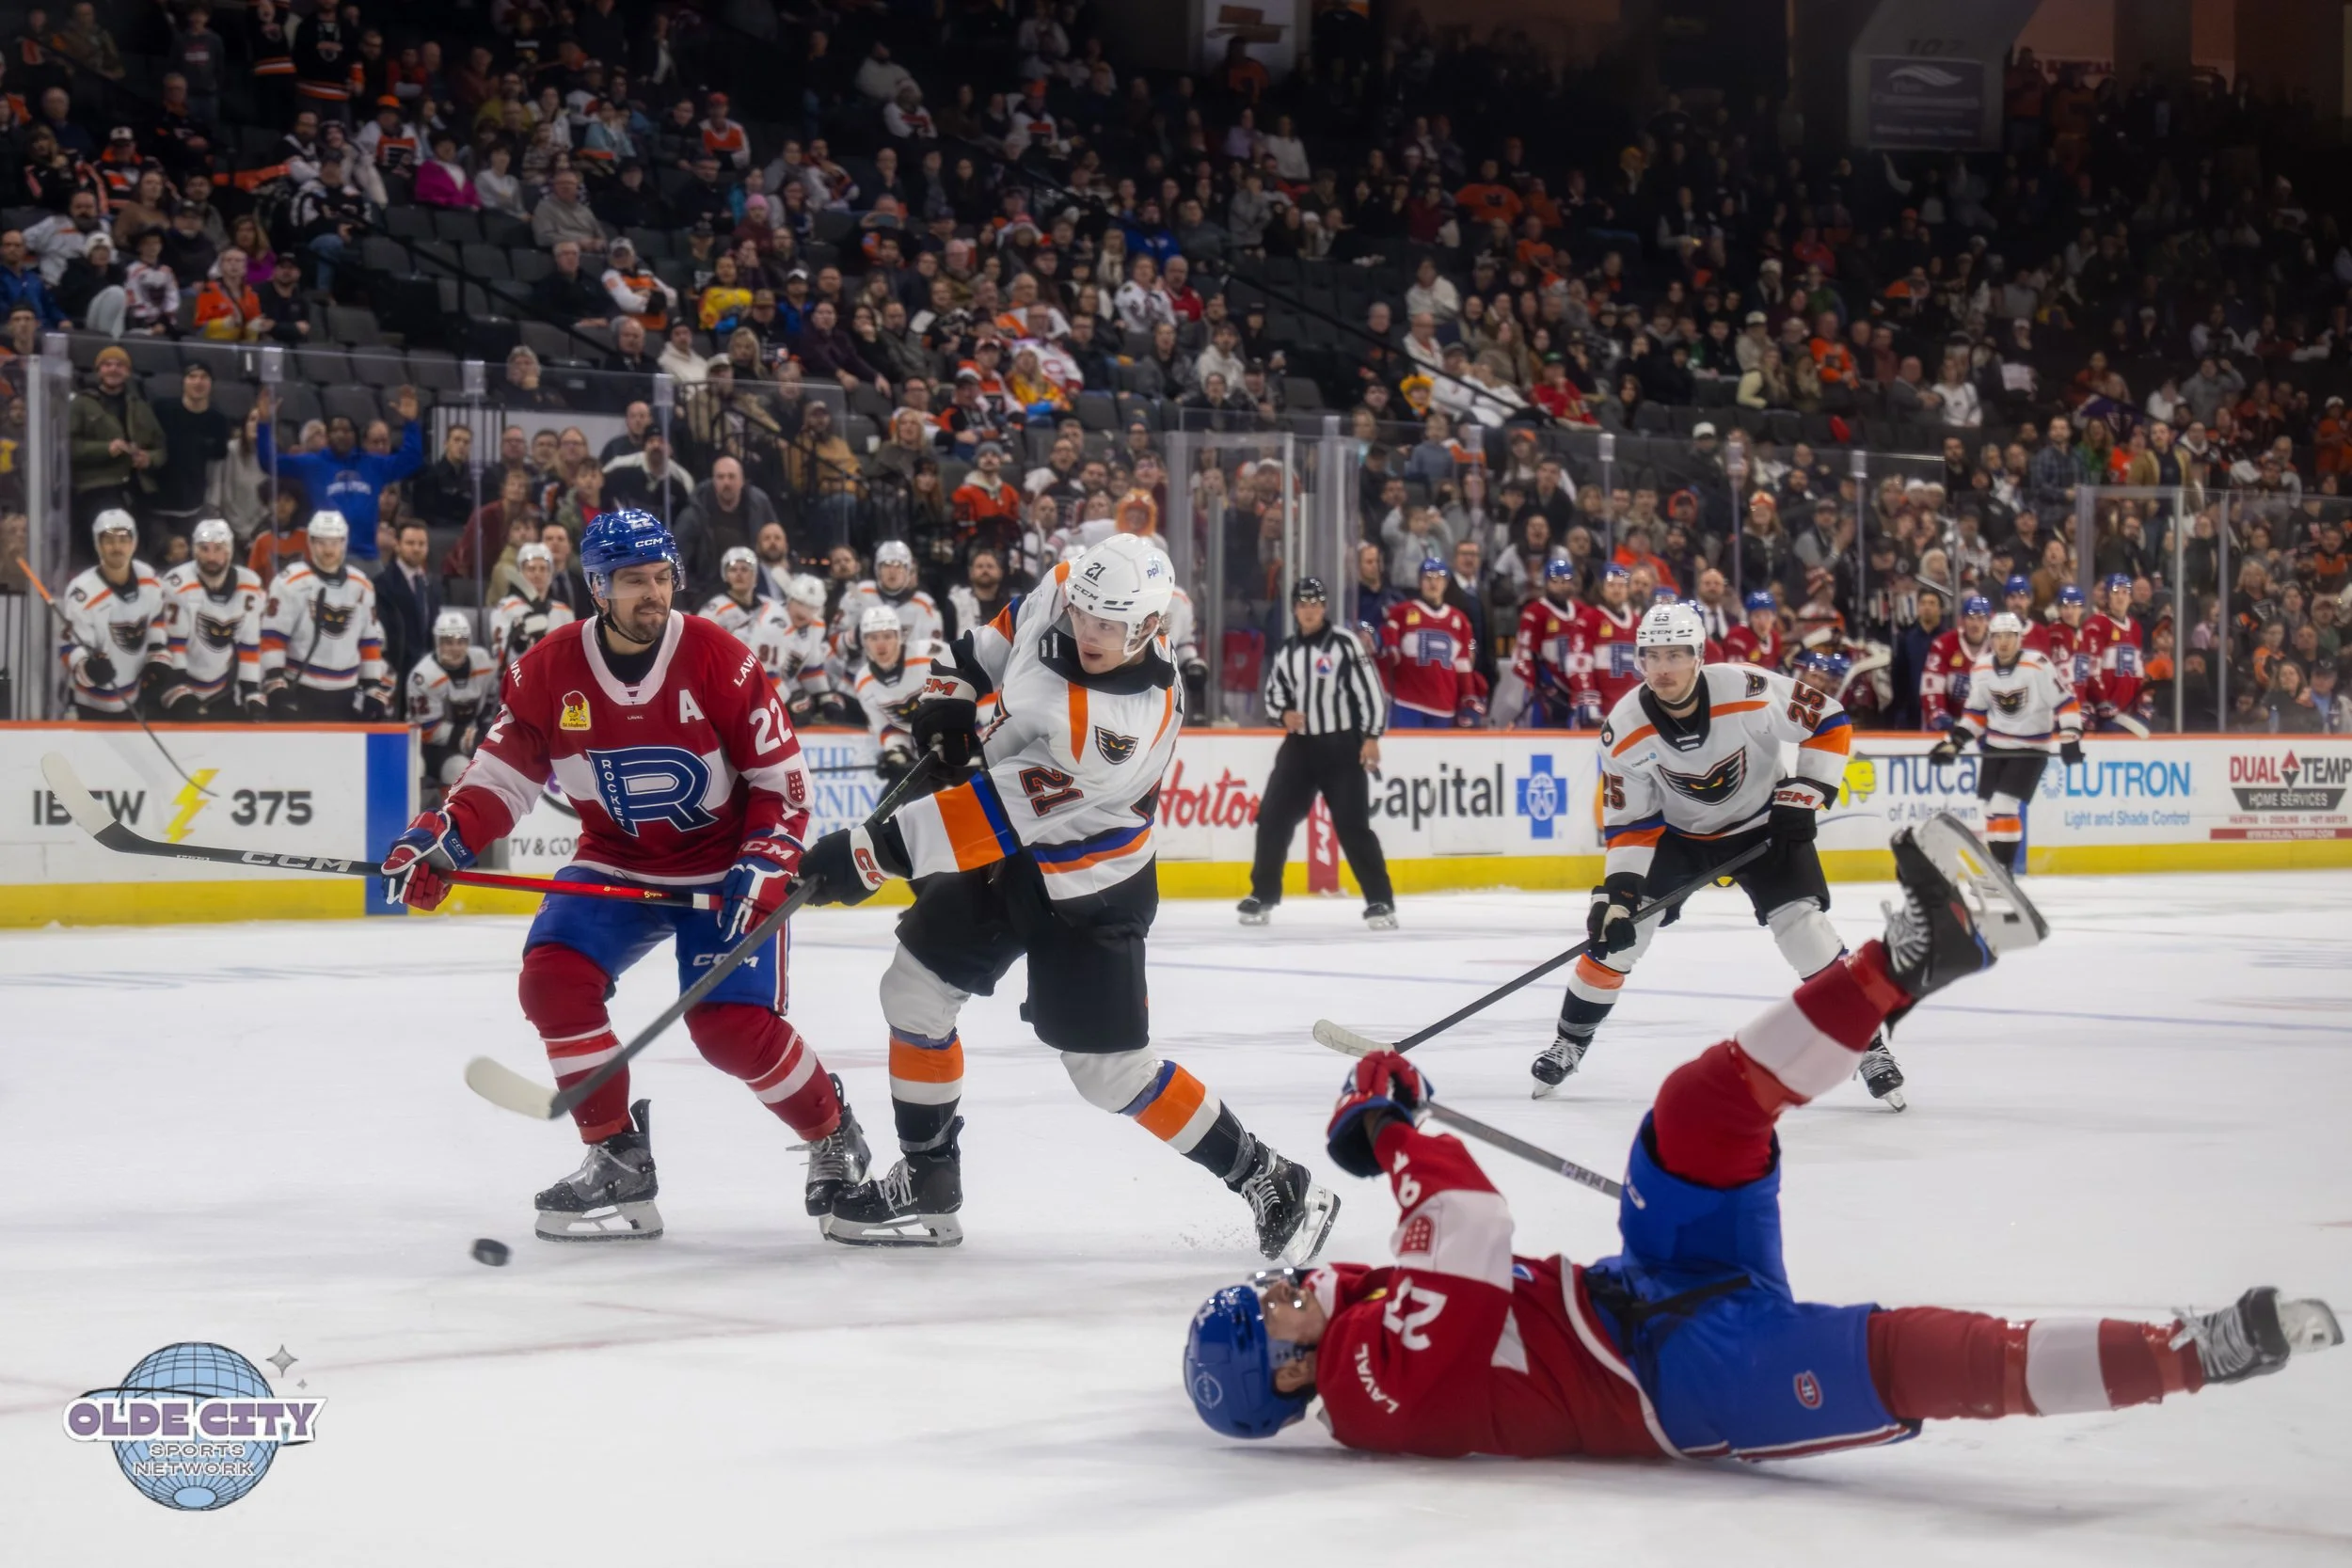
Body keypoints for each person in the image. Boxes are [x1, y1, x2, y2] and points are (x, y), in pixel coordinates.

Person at [1183, 816, 2342, 1455]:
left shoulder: (1351, 1316)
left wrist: (1385, 1126)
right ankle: (2192, 1352)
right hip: (1685, 1382)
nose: (1279, 1285)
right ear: (1286, 1372)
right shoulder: (1372, 1389)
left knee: (1697, 1108)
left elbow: (1448, 1244)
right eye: (1264, 1310)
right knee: (1912, 1354)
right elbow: (1472, 1222)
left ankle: (1916, 954)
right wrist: (1391, 1128)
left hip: (1647, 1280)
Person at [793, 534, 1340, 1264]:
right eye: (1084, 613)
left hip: (1092, 887)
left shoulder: (1115, 729)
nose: (1089, 630)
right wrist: (952, 701)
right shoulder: (1071, 585)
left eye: (1109, 624)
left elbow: (985, 814)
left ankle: (1269, 1176)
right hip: (1017, 860)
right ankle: (928, 1178)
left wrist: (867, 854)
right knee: (913, 992)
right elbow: (993, 640)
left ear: (1150, 626)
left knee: (1108, 1073)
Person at [377, 509, 872, 1241]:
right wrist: (446, 836)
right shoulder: (549, 670)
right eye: (634, 580)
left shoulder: (719, 658)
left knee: (729, 1029)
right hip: (617, 857)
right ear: (598, 587)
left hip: (724, 865)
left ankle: (833, 1131)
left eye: (663, 577)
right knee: (552, 980)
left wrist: (767, 859)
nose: (654, 593)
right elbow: (501, 777)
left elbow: (781, 780)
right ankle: (615, 1153)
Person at [1536, 601, 1906, 1111]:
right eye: (1651, 656)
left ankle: (1869, 1046)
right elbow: (1632, 824)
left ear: (1699, 656)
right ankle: (1569, 1041)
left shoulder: (1747, 688)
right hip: (1681, 838)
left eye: (1675, 655)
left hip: (1764, 827)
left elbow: (1829, 720)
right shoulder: (1623, 729)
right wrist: (1617, 895)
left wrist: (1808, 791)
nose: (1662, 668)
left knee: (1804, 932)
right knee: (1617, 938)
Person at [1239, 578, 1395, 929]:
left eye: (1315, 604)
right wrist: (1283, 715)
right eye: (1303, 604)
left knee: (1353, 826)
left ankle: (1381, 901)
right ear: (1294, 609)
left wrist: (1371, 736)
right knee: (1272, 818)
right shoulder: (1288, 650)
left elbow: (1371, 691)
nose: (1309, 610)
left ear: (1323, 607)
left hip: (1342, 747)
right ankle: (1263, 894)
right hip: (1300, 748)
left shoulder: (1345, 643)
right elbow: (1273, 694)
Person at [1930, 612, 2083, 871]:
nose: (2003, 642)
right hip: (1995, 748)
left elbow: (2066, 702)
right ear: (1991, 639)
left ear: (2019, 638)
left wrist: (2070, 737)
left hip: (2030, 749)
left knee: (2004, 805)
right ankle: (1997, 871)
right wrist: (1954, 743)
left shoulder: (2038, 665)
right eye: (1998, 636)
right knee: (1991, 809)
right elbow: (1976, 715)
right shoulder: (1982, 668)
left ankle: (2003, 868)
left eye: (2009, 636)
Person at [257, 388, 422, 562]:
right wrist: (264, 424)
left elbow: (411, 461)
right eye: (335, 430)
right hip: (327, 556)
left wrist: (411, 423)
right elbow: (269, 463)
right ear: (327, 436)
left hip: (366, 555)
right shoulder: (312, 464)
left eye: (346, 430)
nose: (340, 435)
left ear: (355, 436)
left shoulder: (373, 464)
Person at [260, 509, 391, 721]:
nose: (328, 550)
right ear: (310, 543)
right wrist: (275, 682)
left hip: (347, 695)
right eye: (321, 543)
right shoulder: (289, 582)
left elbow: (369, 641)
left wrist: (372, 686)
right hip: (301, 691)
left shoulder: (362, 585)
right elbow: (272, 638)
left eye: (334, 543)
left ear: (344, 543)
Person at [59, 509, 167, 721]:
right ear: (98, 544)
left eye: (123, 540)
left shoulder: (149, 579)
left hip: (135, 696)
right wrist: (87, 668)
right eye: (109, 540)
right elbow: (68, 647)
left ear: (134, 542)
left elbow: (156, 617)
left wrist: (157, 655)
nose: (117, 547)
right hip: (90, 704)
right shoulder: (83, 591)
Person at [157, 516, 264, 720]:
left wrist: (251, 690)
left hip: (223, 688)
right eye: (204, 549)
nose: (211, 557)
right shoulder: (177, 584)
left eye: (218, 549)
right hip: (176, 684)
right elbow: (173, 646)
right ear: (194, 551)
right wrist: (177, 689)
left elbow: (248, 645)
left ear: (229, 551)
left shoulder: (250, 585)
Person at [1379, 556, 1485, 727]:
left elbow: (1463, 665)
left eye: (1438, 578)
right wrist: (1389, 648)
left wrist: (1468, 695)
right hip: (1407, 703)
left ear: (1446, 583)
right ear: (1420, 582)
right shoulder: (1402, 612)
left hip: (1443, 705)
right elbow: (1386, 643)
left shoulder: (1460, 621)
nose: (1433, 583)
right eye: (1428, 578)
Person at [406, 610, 495, 791]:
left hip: (462, 741)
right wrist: (469, 737)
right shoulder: (424, 675)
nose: (455, 648)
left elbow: (493, 699)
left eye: (461, 641)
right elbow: (427, 730)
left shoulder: (483, 662)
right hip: (424, 745)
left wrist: (488, 726)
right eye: (448, 642)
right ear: (437, 643)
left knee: (469, 771)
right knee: (417, 769)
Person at [1494, 560, 1587, 727]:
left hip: (1576, 689)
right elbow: (1522, 655)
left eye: (1565, 581)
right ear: (1546, 583)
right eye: (1555, 581)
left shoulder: (1582, 611)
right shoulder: (1534, 613)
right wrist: (1538, 682)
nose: (1561, 586)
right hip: (1546, 691)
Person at [850, 605, 930, 781]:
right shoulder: (863, 681)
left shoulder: (929, 657)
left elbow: (973, 694)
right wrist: (897, 751)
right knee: (889, 797)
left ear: (899, 637)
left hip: (962, 741)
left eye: (887, 636)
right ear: (864, 642)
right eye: (873, 638)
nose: (881, 644)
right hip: (925, 754)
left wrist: (978, 737)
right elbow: (887, 726)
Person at [831, 538, 943, 653]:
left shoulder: (925, 604)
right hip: (864, 663)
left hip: (910, 664)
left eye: (898, 566)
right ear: (877, 569)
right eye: (886, 565)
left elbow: (935, 652)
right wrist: (856, 636)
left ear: (908, 571)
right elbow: (833, 642)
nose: (892, 572)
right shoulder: (858, 593)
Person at [772, 573, 854, 724]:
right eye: (800, 603)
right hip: (754, 689)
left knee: (835, 706)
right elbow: (760, 673)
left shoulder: (817, 627)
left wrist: (823, 696)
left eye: (811, 607)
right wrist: (785, 699)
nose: (803, 612)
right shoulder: (770, 621)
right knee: (798, 712)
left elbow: (810, 669)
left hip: (785, 685)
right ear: (789, 599)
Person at [488, 541, 577, 667]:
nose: (537, 574)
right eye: (531, 569)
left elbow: (571, 655)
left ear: (550, 573)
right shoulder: (504, 608)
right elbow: (501, 658)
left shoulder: (564, 611)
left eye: (543, 569)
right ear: (520, 572)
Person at [2080, 573, 2146, 730]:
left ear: (2131, 598)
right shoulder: (2097, 624)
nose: (2120, 597)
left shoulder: (2135, 627)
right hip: (2103, 713)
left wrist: (2142, 700)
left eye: (2125, 592)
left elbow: (2138, 671)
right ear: (2107, 597)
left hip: (2128, 711)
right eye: (2115, 592)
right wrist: (2102, 701)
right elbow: (2091, 670)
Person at [1919, 594, 1992, 732]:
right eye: (1971, 618)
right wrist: (1937, 712)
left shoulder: (1997, 646)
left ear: (1988, 621)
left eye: (1981, 618)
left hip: (1987, 725)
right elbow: (1931, 685)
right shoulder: (1943, 644)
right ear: (1962, 621)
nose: (1975, 624)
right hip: (1950, 723)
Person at [1720, 589, 1786, 672]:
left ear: (1774, 617)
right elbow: (1735, 674)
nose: (1762, 622)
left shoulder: (1775, 638)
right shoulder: (1737, 636)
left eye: (1767, 615)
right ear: (1749, 618)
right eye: (1757, 616)